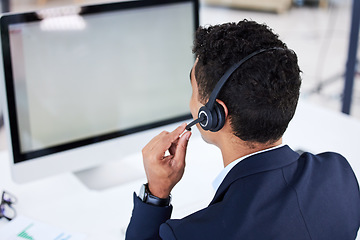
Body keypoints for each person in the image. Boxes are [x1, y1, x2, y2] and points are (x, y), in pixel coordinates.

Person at [125, 20, 360, 240]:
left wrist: (156, 194)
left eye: (193, 89)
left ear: (212, 115)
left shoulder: (194, 233)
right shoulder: (340, 176)